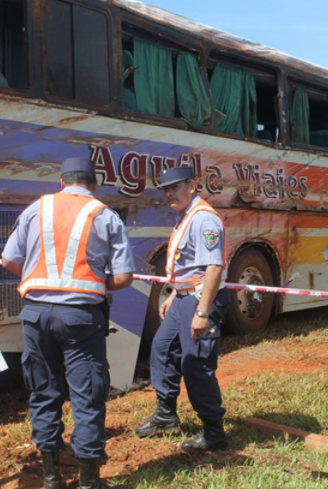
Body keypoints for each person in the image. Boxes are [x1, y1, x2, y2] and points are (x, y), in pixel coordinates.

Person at [2, 157, 134, 489]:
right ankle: (89, 483)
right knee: (86, 394)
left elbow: (8, 260)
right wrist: (96, 283)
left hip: (35, 314)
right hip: (80, 317)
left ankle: (51, 477)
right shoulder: (104, 215)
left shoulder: (36, 209)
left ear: (62, 183)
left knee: (43, 392)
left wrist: (40, 279)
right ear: (93, 184)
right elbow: (124, 276)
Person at [135, 166, 231, 451]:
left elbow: (214, 267)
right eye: (165, 189)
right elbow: (191, 263)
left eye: (174, 187)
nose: (169, 194)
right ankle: (166, 415)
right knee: (162, 349)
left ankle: (214, 432)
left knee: (195, 363)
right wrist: (175, 293)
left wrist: (202, 312)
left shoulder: (204, 219)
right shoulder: (187, 217)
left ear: (192, 185)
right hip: (183, 298)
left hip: (201, 300)